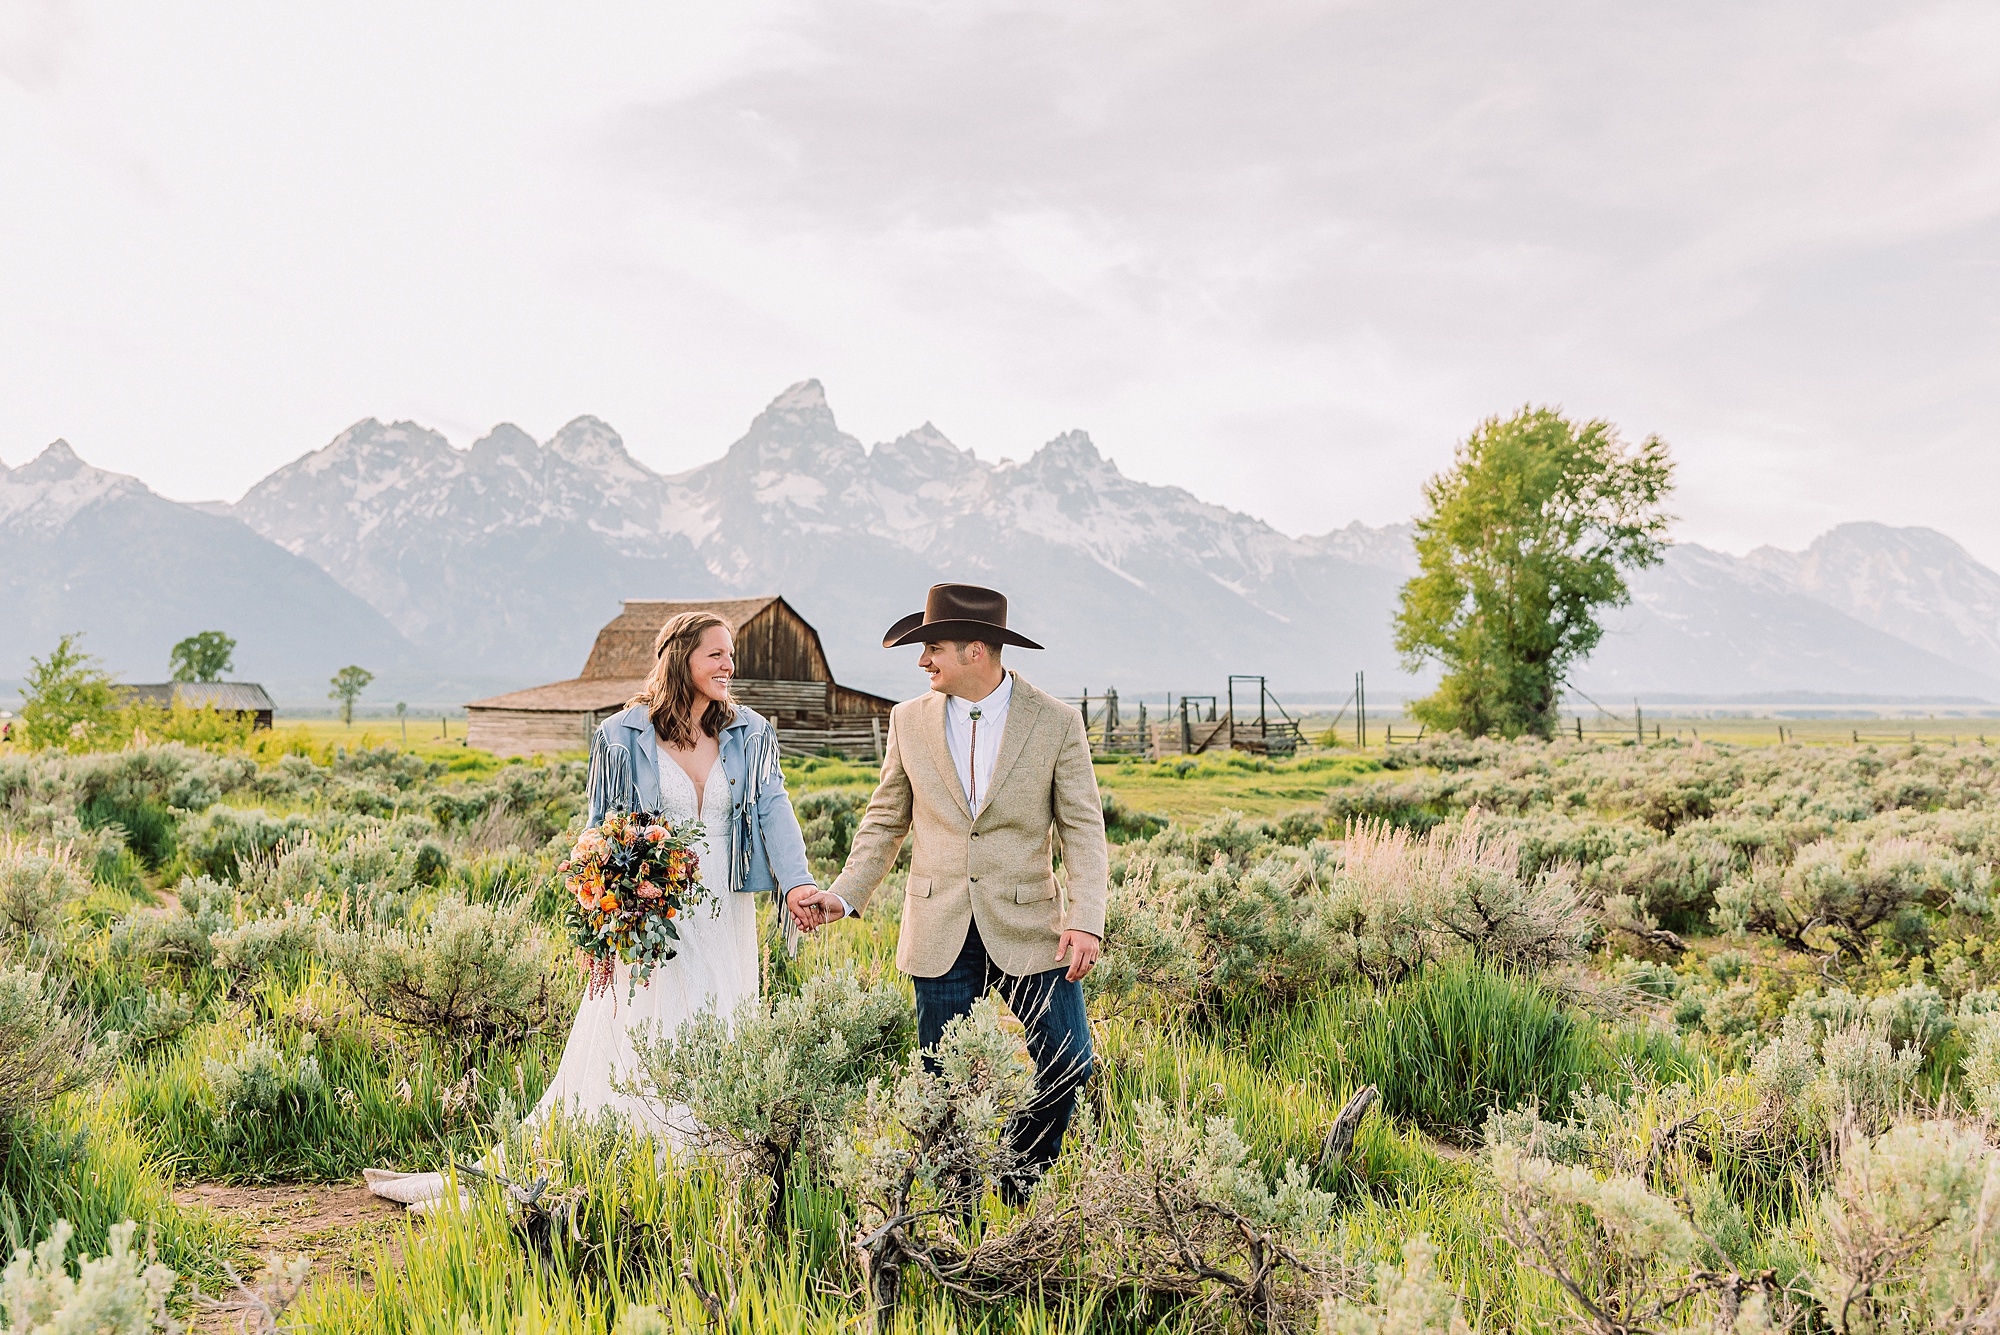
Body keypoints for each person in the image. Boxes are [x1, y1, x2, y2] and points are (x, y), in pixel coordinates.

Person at [366, 610, 818, 1210]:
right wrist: (605, 921)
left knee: (721, 1016)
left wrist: (796, 884)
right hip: (653, 914)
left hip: (726, 911)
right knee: (648, 1023)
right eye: (717, 654)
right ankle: (634, 1153)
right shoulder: (621, 737)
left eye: (731, 655)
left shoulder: (751, 733)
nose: (730, 666)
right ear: (680, 657)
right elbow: (598, 835)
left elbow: (773, 811)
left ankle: (713, 1157)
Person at [791, 583, 1107, 1202]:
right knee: (942, 1086)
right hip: (938, 927)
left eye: (933, 647)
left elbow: (1082, 828)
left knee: (1069, 1061)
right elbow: (886, 818)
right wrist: (844, 894)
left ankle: (1017, 1183)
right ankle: (956, 1211)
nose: (922, 660)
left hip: (1029, 926)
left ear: (978, 649)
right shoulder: (906, 720)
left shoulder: (1056, 722)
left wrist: (1086, 917)